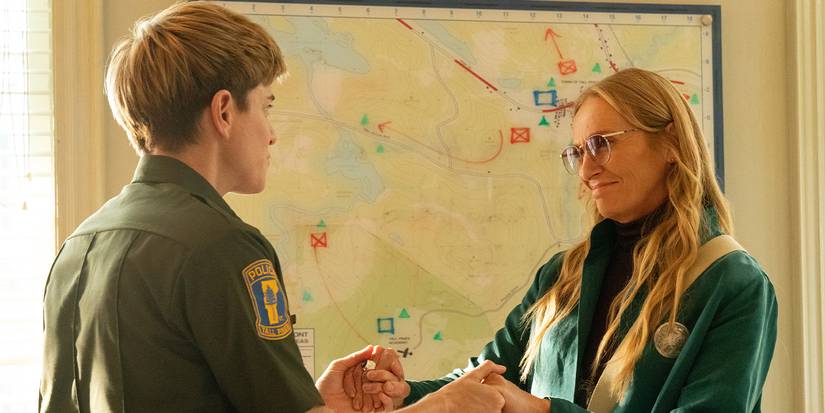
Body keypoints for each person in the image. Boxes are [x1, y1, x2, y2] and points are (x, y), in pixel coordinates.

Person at [38, 2, 507, 412]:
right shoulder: (221, 246)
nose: (272, 132)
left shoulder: (77, 247)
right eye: (265, 105)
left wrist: (307, 398)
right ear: (223, 112)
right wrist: (444, 405)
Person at [354, 68, 778, 412]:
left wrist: (542, 412)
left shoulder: (732, 283)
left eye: (601, 144)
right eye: (578, 152)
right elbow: (490, 375)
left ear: (669, 142)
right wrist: (403, 393)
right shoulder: (563, 275)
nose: (586, 169)